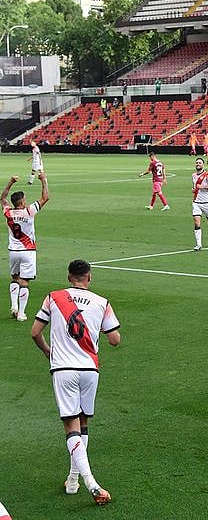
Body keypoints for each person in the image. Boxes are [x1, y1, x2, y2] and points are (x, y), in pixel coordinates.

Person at [30, 259, 121, 505]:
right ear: (89, 277)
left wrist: (49, 352)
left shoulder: (53, 297)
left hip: (63, 369)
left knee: (70, 426)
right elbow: (115, 339)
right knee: (83, 422)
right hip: (90, 369)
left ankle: (90, 482)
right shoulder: (102, 303)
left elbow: (35, 332)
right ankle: (73, 479)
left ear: (69, 277)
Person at [3, 173, 49, 322]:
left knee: (14, 278)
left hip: (13, 251)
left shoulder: (8, 212)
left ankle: (14, 306)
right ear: (22, 201)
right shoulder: (29, 211)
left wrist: (10, 182)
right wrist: (44, 180)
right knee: (24, 282)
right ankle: (21, 313)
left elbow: (2, 199)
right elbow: (45, 198)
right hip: (28, 251)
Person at [191, 158, 208, 251]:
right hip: (196, 202)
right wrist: (194, 189)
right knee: (196, 222)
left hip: (206, 202)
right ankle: (198, 244)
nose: (198, 164)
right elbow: (195, 187)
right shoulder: (193, 175)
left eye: (200, 163)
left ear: (203, 165)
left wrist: (202, 187)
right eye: (197, 163)